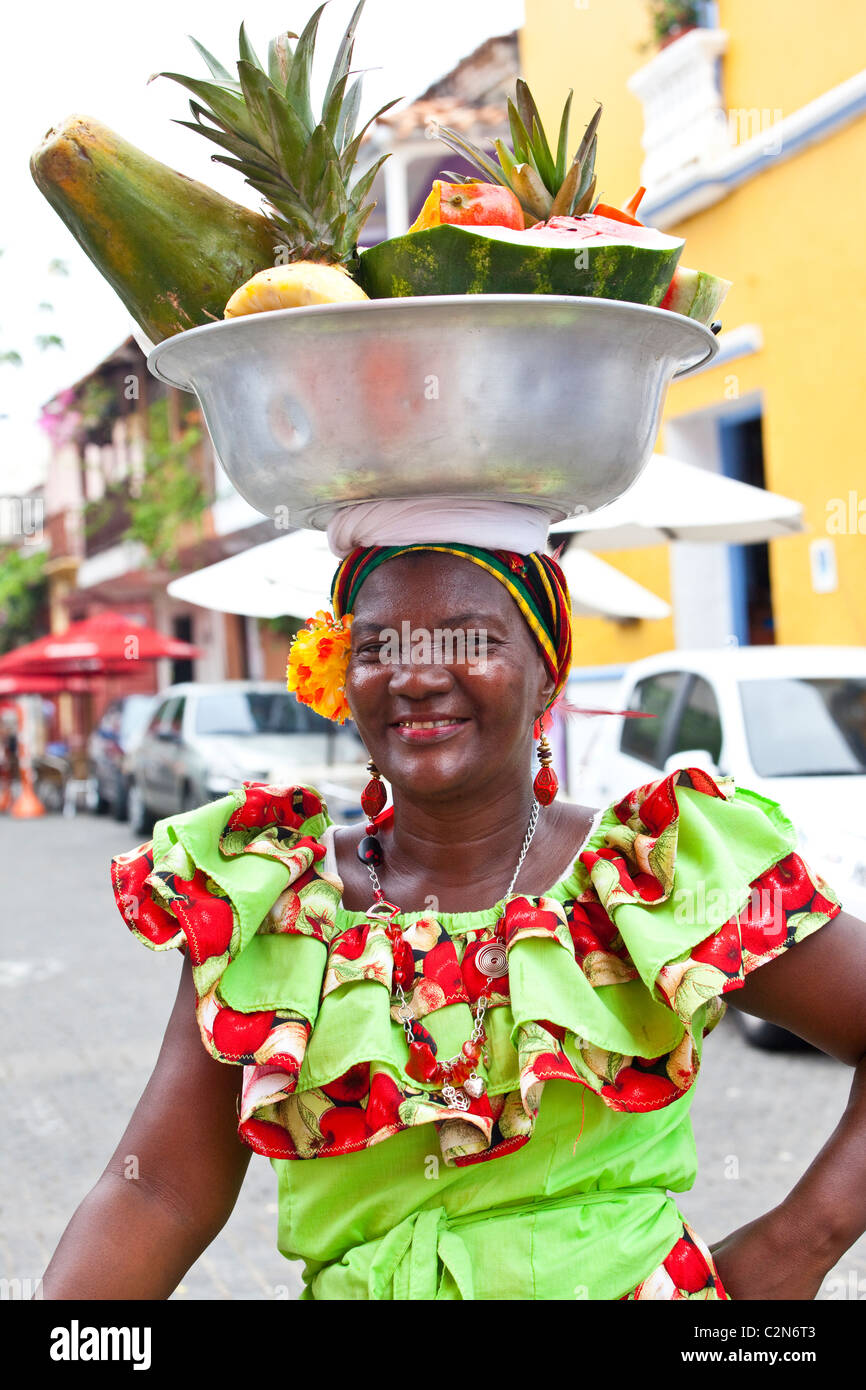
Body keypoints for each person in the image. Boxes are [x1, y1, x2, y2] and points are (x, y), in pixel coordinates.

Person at [40, 502, 866, 1301]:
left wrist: (797, 1247)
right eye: (376, 646)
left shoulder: (650, 876)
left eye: (469, 639)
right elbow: (160, 1194)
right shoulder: (276, 904)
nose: (416, 676)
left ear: (546, 666)